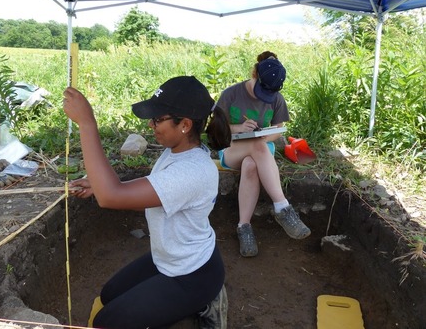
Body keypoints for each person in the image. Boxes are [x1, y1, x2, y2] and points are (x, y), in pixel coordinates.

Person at [63, 75, 231, 329]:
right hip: (168, 258)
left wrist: (87, 123)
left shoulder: (193, 171)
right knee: (109, 296)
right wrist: (100, 186)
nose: (151, 125)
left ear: (185, 124)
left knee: (105, 323)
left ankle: (205, 302)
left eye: (157, 119)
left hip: (191, 275)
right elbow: (155, 193)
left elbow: (111, 197)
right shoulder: (175, 152)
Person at [216, 51, 311, 258]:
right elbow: (214, 129)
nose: (266, 98)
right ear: (254, 74)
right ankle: (282, 207)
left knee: (252, 163)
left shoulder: (277, 98)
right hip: (232, 148)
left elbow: (278, 129)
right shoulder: (231, 94)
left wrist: (262, 135)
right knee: (257, 147)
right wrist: (238, 128)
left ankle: (244, 227)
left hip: (260, 151)